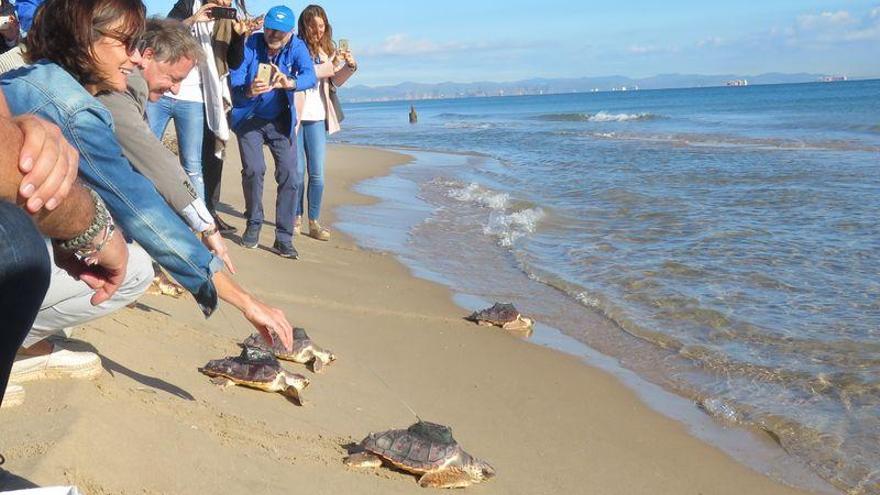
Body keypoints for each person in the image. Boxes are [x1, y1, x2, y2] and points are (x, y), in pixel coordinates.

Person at [0, 0, 295, 357]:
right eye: (127, 43)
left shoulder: (32, 78)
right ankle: (18, 342)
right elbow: (143, 208)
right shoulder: (76, 110)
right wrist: (245, 301)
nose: (137, 59)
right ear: (84, 40)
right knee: (135, 267)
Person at [0, 89, 132, 408]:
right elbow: (143, 201)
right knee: (18, 248)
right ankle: (27, 350)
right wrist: (92, 226)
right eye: (128, 42)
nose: (137, 58)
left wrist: (15, 126)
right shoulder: (76, 103)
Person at [97, 18, 236, 275]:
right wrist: (207, 226)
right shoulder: (128, 85)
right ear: (148, 55)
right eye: (173, 77)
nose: (176, 88)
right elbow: (156, 160)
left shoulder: (133, 85)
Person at [158, 0, 260, 235]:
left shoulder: (229, 19)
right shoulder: (187, 5)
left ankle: (207, 214)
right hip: (171, 90)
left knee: (209, 158)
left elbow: (233, 62)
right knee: (148, 149)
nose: (226, 2)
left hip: (209, 94)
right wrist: (194, 19)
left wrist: (238, 37)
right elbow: (163, 32)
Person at [229, 4, 316, 258]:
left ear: (290, 33)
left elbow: (310, 75)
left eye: (279, 32)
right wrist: (249, 89)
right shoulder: (250, 44)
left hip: (280, 120)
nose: (273, 35)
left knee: (292, 174)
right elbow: (234, 78)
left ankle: (283, 237)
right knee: (254, 170)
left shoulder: (296, 46)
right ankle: (254, 224)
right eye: (269, 29)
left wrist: (290, 82)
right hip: (249, 118)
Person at [294, 4, 356, 241]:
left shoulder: (326, 50)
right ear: (304, 25)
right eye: (313, 25)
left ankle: (314, 221)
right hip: (297, 119)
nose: (318, 30)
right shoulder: (295, 47)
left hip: (318, 118)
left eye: (322, 25)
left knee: (317, 174)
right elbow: (306, 74)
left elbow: (334, 82)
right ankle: (296, 218)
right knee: (297, 173)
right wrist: (331, 64)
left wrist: (349, 67)